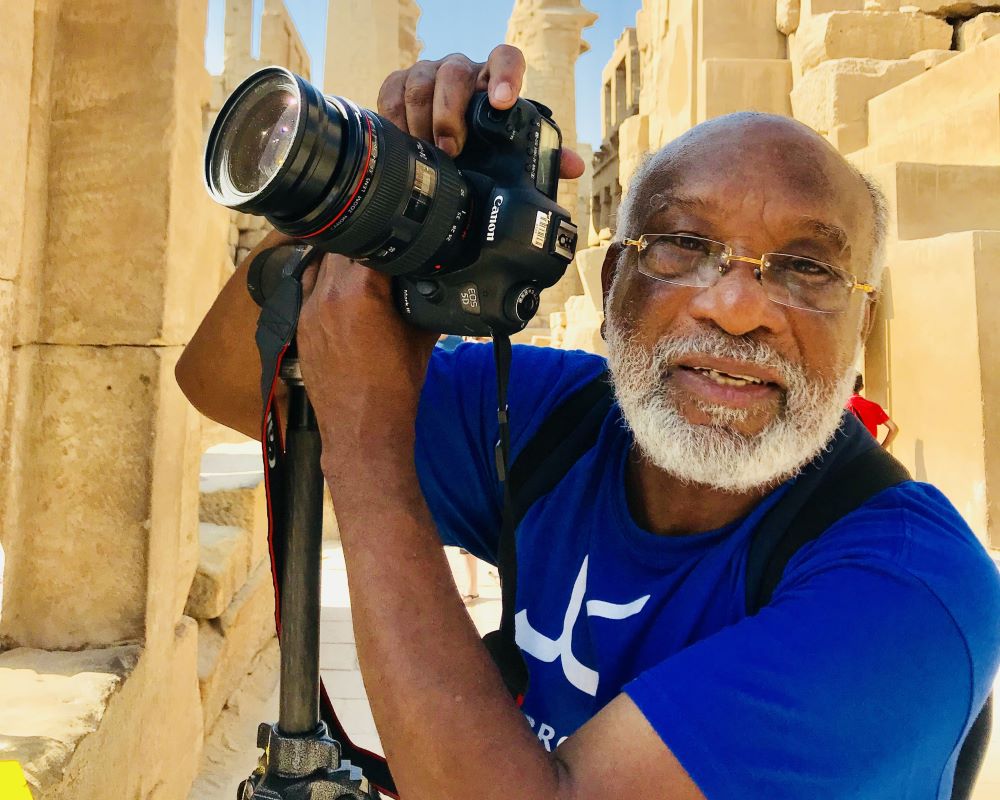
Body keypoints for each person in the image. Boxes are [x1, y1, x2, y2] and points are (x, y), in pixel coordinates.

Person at [176, 45, 1000, 800]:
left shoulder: (913, 592)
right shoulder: (560, 418)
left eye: (808, 267)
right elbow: (223, 380)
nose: (740, 307)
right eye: (682, 244)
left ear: (863, 325)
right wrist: (356, 190)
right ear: (612, 290)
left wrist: (367, 443)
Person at [847, 373, 899, 448]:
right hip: (870, 453)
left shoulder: (841, 408)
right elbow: (894, 429)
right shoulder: (874, 407)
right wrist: (882, 448)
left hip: (849, 455)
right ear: (862, 387)